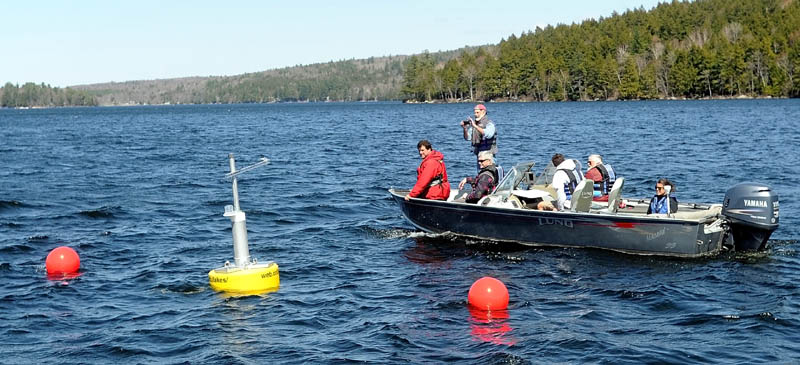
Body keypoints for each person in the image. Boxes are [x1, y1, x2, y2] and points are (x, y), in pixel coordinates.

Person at [460, 104, 497, 171]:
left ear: (483, 112)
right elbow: (467, 137)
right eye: (475, 113)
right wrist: (465, 129)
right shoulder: (475, 124)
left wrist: (475, 126)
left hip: (488, 154)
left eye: (477, 112)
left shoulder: (489, 123)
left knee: (490, 173)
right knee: (480, 175)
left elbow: (488, 134)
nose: (475, 114)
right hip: (479, 154)